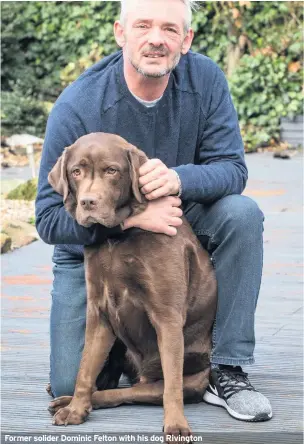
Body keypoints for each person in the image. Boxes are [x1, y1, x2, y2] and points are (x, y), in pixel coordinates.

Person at [35, 0, 272, 422]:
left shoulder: (205, 79)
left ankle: (226, 367)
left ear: (186, 40)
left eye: (169, 29)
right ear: (120, 33)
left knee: (242, 214)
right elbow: (49, 219)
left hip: (177, 222)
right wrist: (128, 219)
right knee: (70, 386)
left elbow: (232, 169)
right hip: (92, 246)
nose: (156, 39)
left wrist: (178, 179)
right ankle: (124, 360)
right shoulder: (79, 105)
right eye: (143, 25)